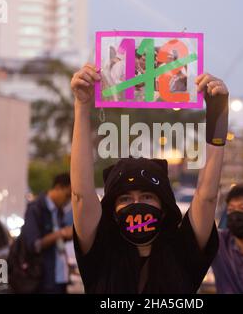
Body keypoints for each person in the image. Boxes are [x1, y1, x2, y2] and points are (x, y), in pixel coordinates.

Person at [70, 63, 229, 293]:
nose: (136, 204)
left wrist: (218, 111)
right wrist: (82, 105)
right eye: (125, 198)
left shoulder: (182, 250)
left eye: (146, 196)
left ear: (164, 206)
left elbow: (206, 197)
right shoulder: (101, 248)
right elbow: (81, 195)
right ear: (112, 211)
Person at [22, 173, 73, 293]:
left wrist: (67, 235)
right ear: (58, 187)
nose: (67, 200)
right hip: (43, 279)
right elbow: (34, 245)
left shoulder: (59, 211)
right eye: (67, 195)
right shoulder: (36, 209)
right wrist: (61, 233)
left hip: (61, 277)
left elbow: (60, 240)